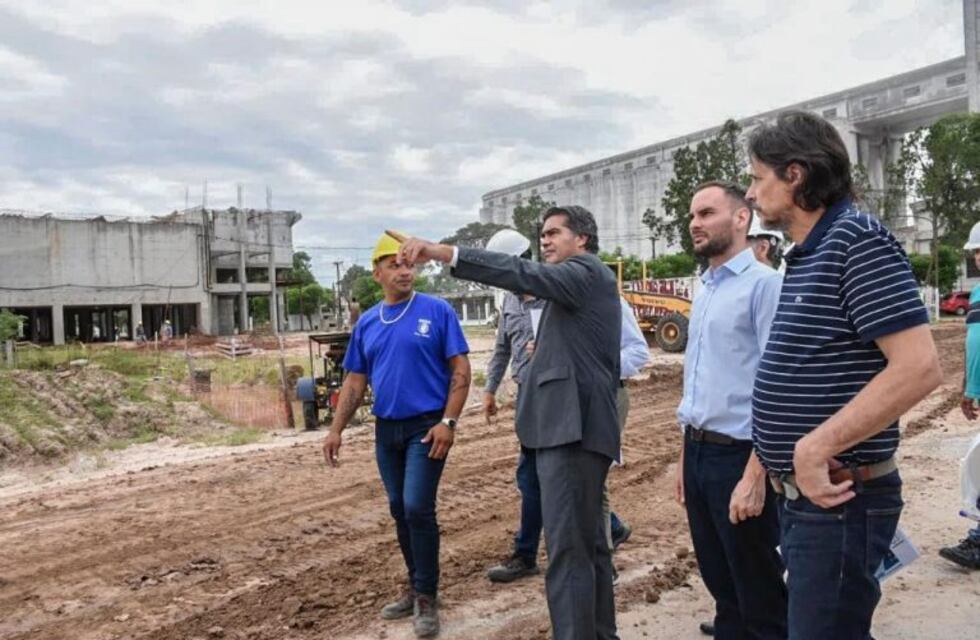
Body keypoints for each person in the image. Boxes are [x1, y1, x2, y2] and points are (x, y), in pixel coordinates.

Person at [746, 110, 942, 639]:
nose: (749, 192)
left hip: (838, 499)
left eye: (757, 177)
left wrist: (812, 448)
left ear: (795, 175)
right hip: (810, 500)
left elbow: (920, 366)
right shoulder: (809, 252)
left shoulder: (856, 239)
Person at [392, 204, 622, 640]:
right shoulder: (578, 285)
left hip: (571, 433)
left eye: (555, 233)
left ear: (583, 240)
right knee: (589, 549)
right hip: (569, 429)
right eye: (543, 234)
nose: (546, 241)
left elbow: (522, 272)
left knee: (568, 555)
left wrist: (443, 253)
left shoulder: (584, 272)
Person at [322, 232, 471, 638]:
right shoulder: (368, 322)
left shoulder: (437, 311)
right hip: (386, 430)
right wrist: (336, 429)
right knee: (398, 508)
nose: (406, 271)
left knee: (417, 506)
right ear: (377, 274)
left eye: (410, 264)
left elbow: (461, 370)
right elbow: (355, 380)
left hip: (427, 428)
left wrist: (450, 422)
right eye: (395, 265)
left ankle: (426, 595)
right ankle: (415, 582)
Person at [676, 181, 786, 640]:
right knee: (721, 584)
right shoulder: (705, 289)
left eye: (705, 213)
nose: (694, 224)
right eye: (692, 216)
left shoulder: (765, 286)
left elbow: (777, 388)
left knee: (758, 590)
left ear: (742, 219)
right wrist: (685, 461)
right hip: (699, 453)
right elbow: (698, 383)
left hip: (741, 456)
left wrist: (755, 475)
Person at [938, 225, 980, 570]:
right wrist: (968, 388)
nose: (979, 257)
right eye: (976, 252)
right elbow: (973, 346)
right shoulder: (977, 293)